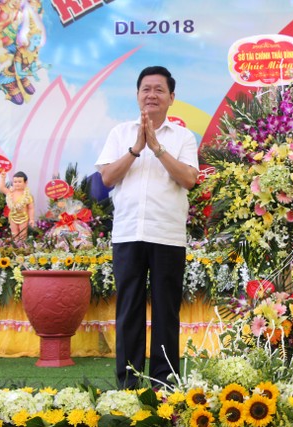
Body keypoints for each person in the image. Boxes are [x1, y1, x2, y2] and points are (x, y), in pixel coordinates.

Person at [95, 66, 199, 389]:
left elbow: (189, 179)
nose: (152, 95)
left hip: (167, 234)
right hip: (128, 233)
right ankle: (129, 382)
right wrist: (136, 148)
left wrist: (157, 148)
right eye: (146, 89)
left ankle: (163, 384)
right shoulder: (120, 133)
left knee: (166, 311)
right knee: (129, 309)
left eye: (159, 89)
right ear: (137, 95)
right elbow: (107, 178)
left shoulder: (183, 137)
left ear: (171, 97)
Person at [0, 170, 35, 241]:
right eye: (15, 182)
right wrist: (3, 178)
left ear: (25, 182)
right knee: (14, 233)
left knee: (23, 234)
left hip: (23, 217)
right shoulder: (10, 192)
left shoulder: (27, 196)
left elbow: (31, 208)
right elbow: (2, 188)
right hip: (13, 217)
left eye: (19, 182)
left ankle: (22, 245)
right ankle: (16, 244)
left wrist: (32, 219)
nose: (17, 184)